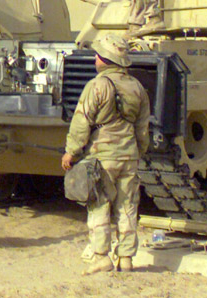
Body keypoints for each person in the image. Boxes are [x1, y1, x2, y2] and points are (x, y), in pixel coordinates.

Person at [60, 34, 151, 274]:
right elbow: (143, 129)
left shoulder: (97, 85)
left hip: (102, 156)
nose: (95, 59)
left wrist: (71, 152)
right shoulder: (137, 87)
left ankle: (101, 256)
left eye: (98, 55)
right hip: (129, 155)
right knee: (127, 206)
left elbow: (81, 122)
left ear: (105, 59)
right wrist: (137, 152)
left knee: (99, 205)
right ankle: (126, 258)